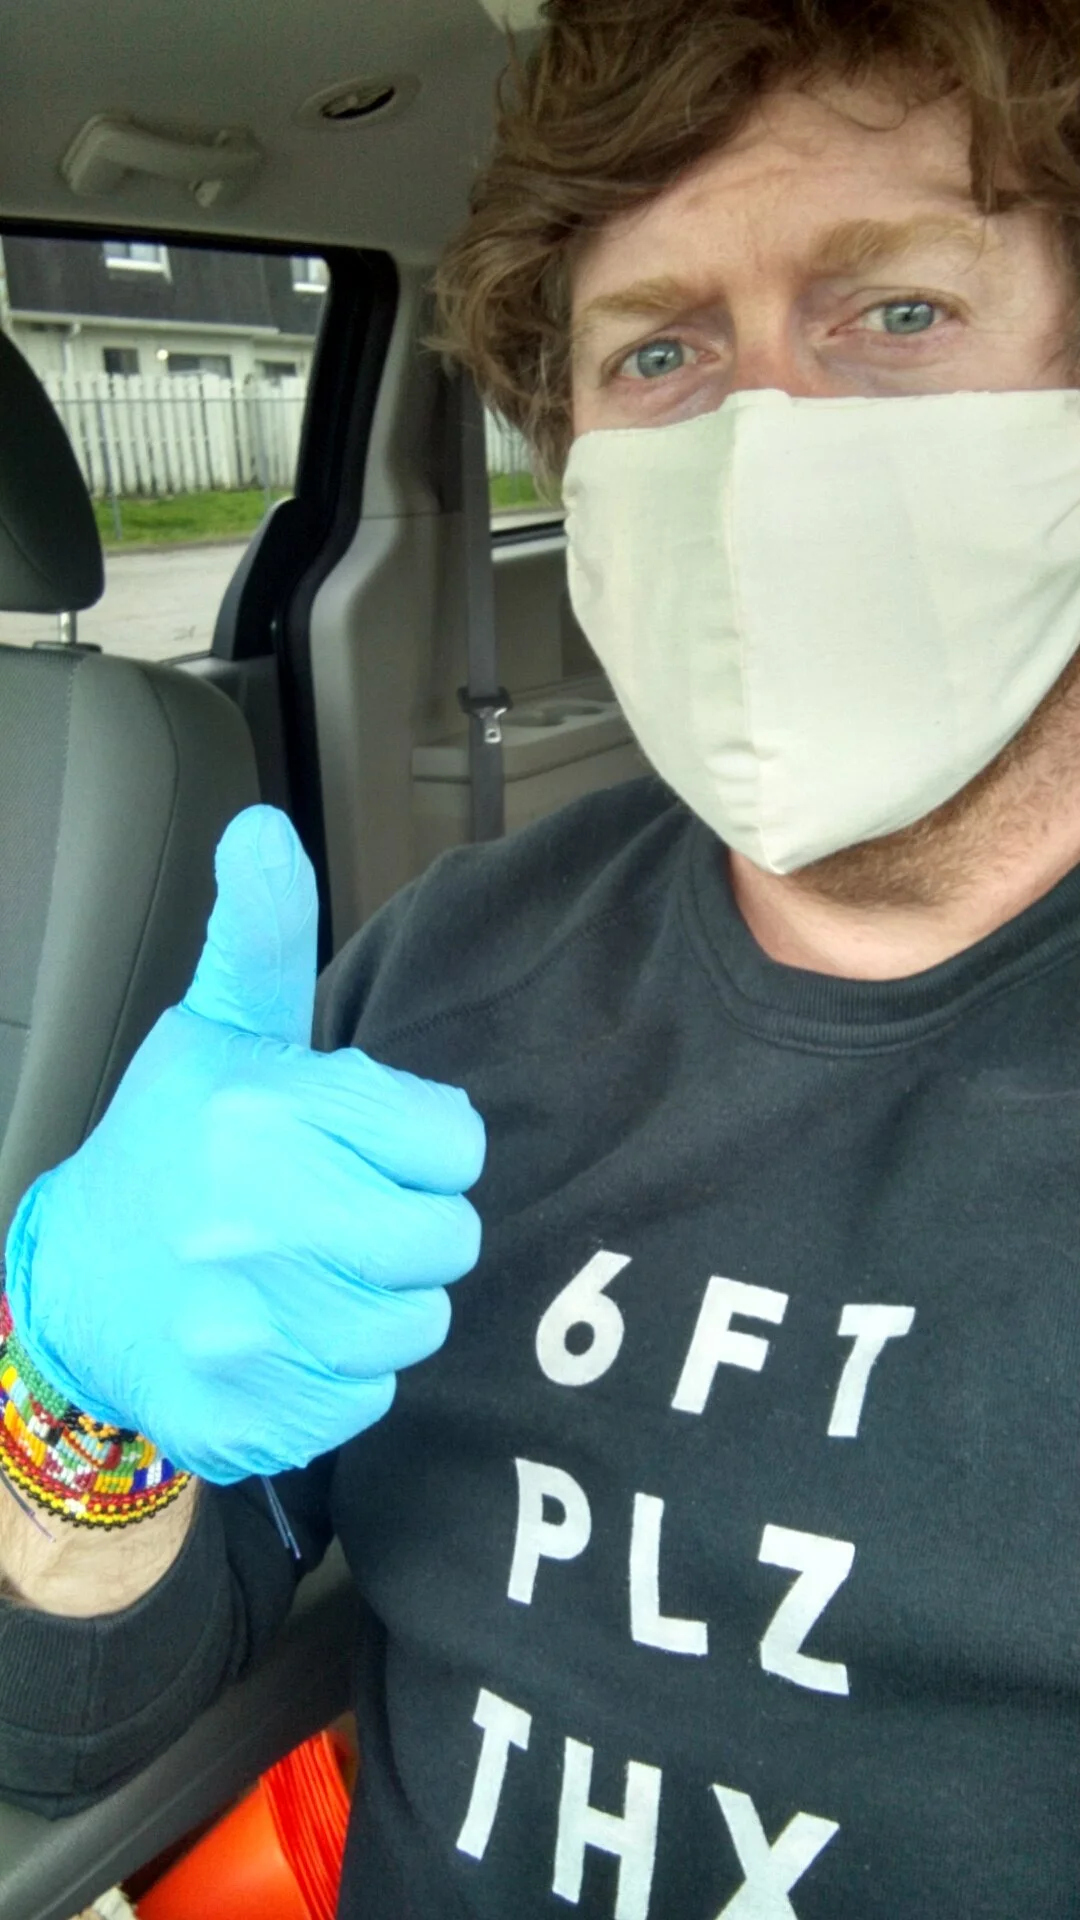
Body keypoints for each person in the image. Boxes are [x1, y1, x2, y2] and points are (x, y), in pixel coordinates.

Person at [4, 0, 1080, 1912]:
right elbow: (73, 1719)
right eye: (661, 351)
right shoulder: (448, 976)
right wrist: (74, 1406)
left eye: (897, 311)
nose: (762, 441)